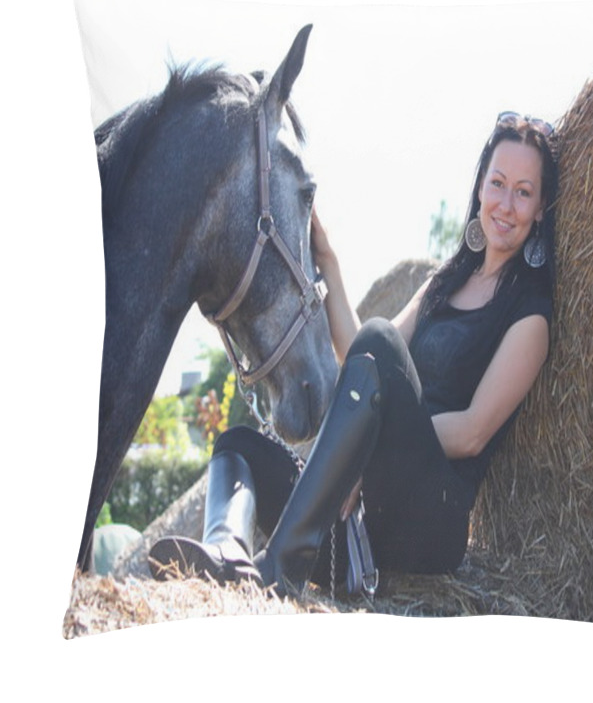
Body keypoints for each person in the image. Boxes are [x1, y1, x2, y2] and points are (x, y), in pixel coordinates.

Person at [149, 111, 558, 596]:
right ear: (480, 189)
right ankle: (229, 553)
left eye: (524, 191)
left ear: (540, 207)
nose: (506, 204)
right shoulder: (443, 285)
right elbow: (363, 360)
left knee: (381, 338)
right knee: (238, 446)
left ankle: (280, 567)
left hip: (430, 523)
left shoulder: (529, 316)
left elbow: (471, 433)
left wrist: (370, 451)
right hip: (369, 518)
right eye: (497, 183)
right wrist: (330, 266)